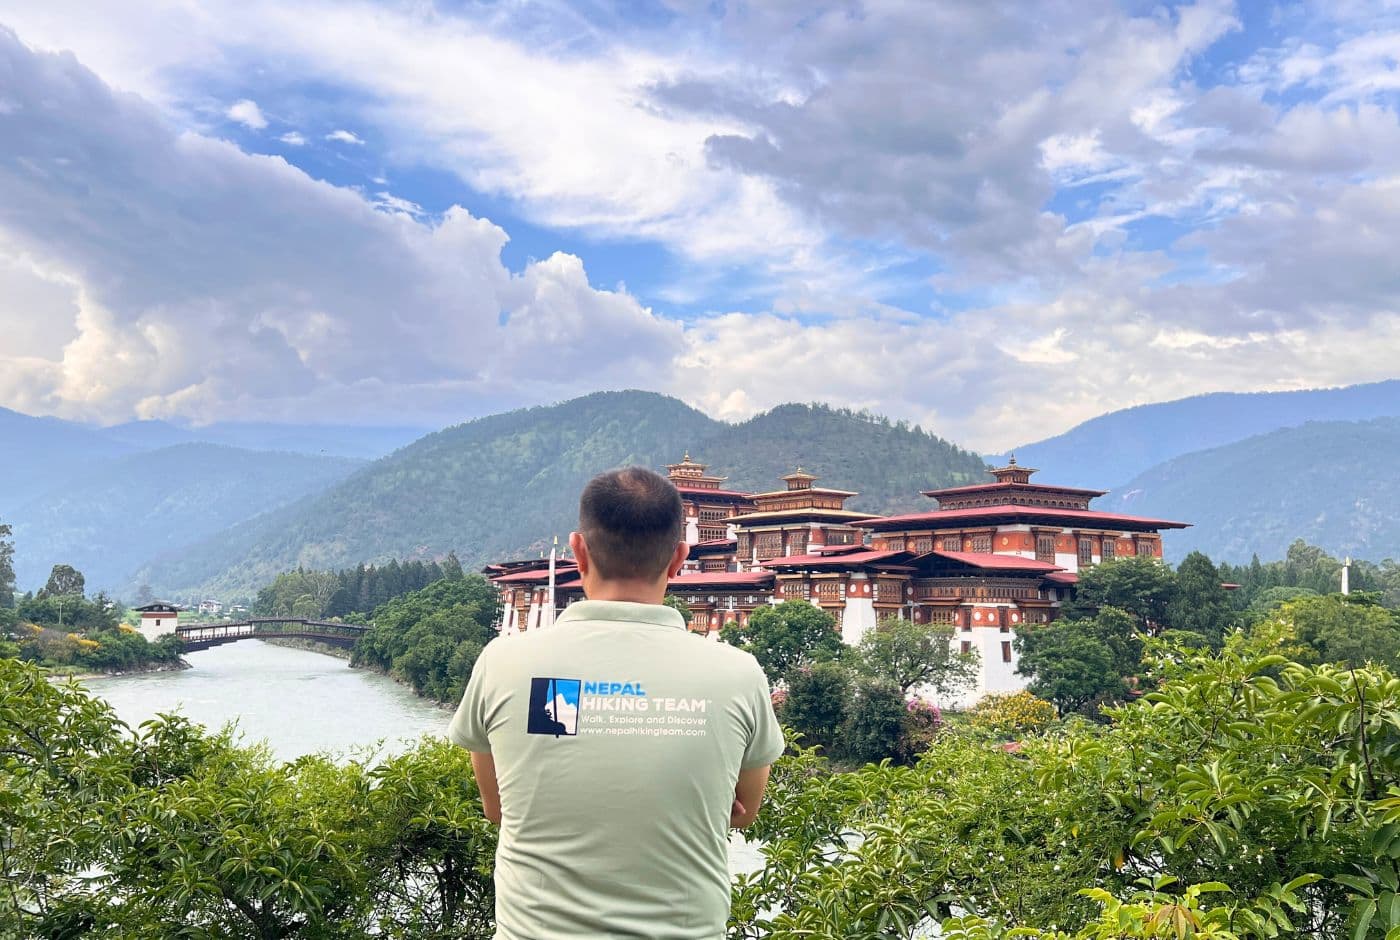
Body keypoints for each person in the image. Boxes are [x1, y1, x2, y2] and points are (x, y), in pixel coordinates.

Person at [448, 466, 784, 939]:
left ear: (578, 551)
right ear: (679, 559)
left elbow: (498, 805)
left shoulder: (506, 662)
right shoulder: (737, 674)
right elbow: (742, 809)